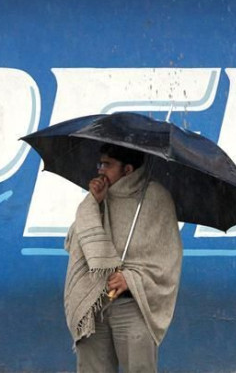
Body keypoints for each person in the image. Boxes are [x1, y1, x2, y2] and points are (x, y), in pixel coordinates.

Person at [63, 143, 182, 373]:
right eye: (100, 164)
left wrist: (131, 278)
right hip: (94, 305)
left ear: (127, 170)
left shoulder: (156, 198)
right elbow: (75, 241)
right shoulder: (99, 198)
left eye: (107, 165)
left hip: (134, 305)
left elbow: (168, 259)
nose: (100, 170)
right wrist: (93, 203)